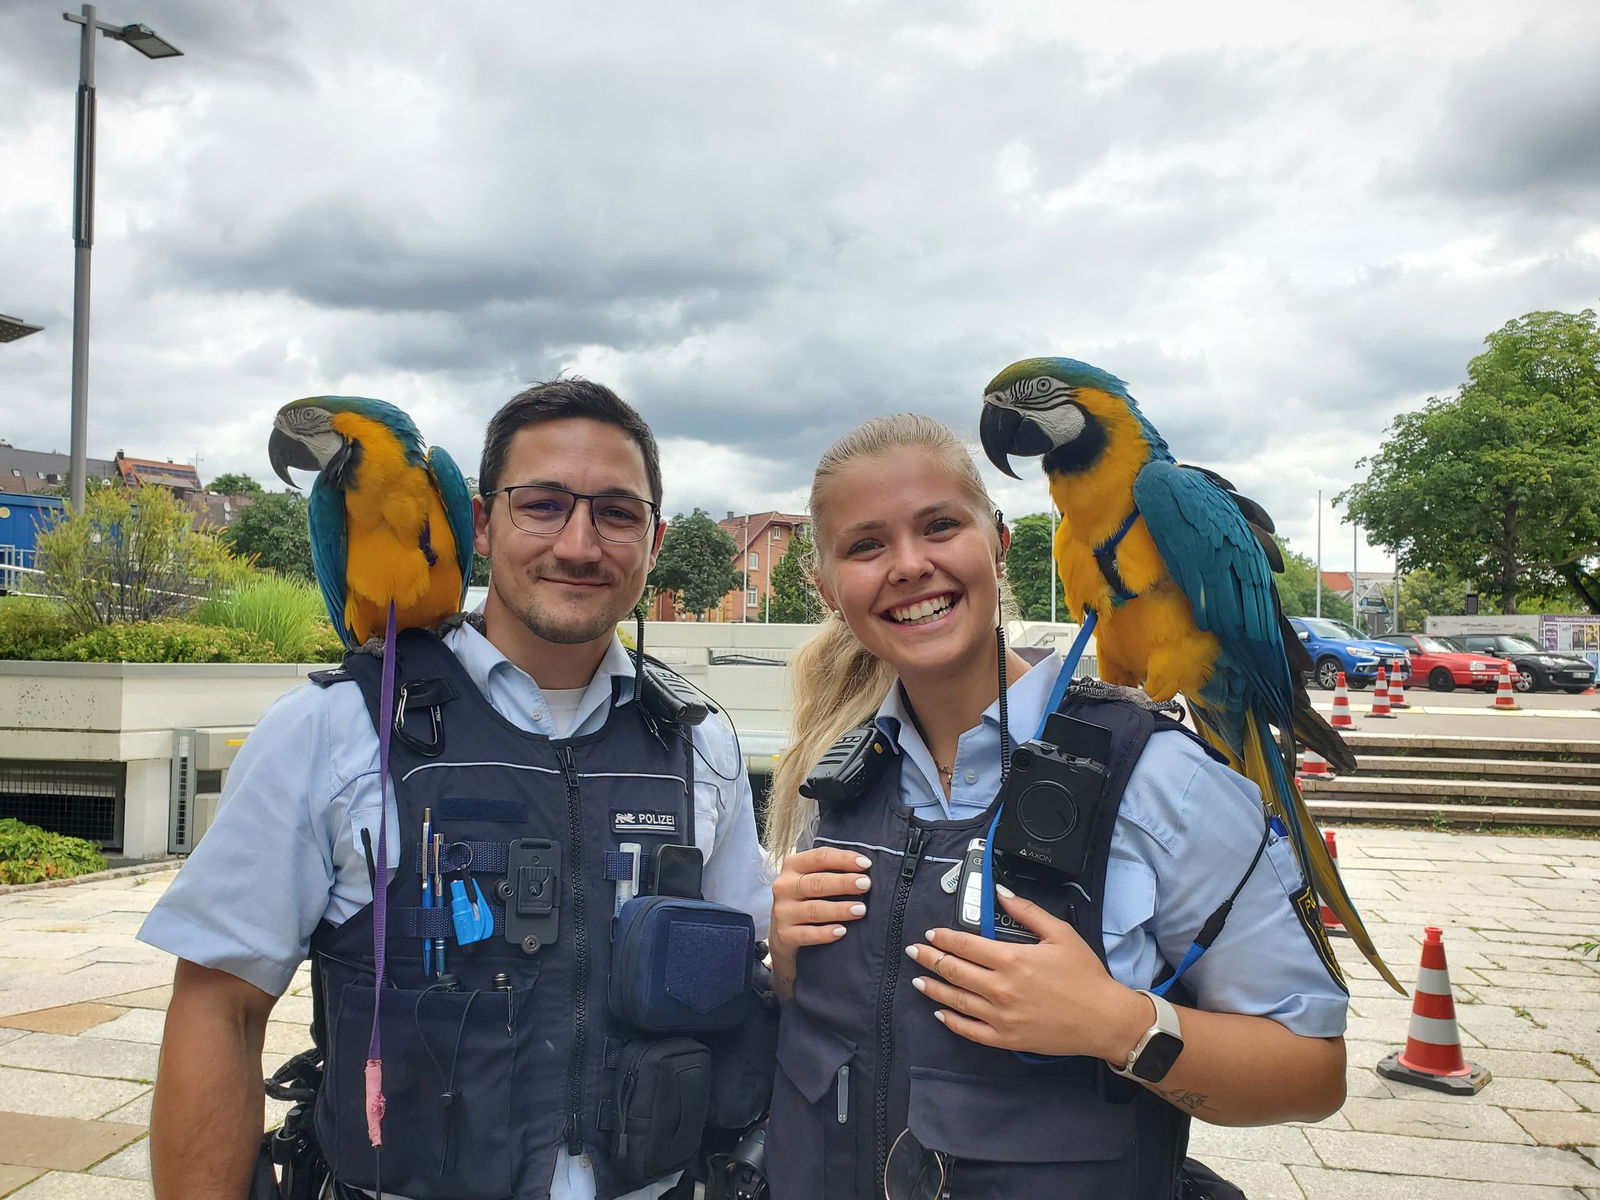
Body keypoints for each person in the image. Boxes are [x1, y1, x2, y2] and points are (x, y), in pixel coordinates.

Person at [139, 379, 772, 1200]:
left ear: (655, 540)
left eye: (617, 513)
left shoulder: (700, 746)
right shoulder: (332, 729)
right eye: (542, 504)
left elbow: (750, 983)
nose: (579, 543)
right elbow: (218, 1009)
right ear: (479, 522)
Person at [764, 414, 1348, 1199]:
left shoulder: (1159, 777)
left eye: (940, 526)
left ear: (999, 545)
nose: (909, 565)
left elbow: (1311, 1073)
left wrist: (1120, 1026)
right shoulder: (834, 779)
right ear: (828, 588)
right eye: (866, 545)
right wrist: (793, 962)